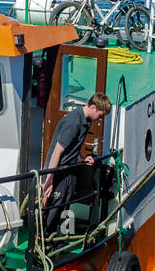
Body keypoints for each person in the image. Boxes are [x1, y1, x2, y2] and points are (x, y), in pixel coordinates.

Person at [41, 93, 111, 231]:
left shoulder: (86, 121)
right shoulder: (73, 122)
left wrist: (82, 158)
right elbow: (57, 151)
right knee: (54, 207)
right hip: (59, 171)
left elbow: (73, 146)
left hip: (70, 170)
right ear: (93, 107)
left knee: (66, 205)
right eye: (101, 115)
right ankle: (44, 240)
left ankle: (59, 238)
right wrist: (49, 180)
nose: (100, 120)